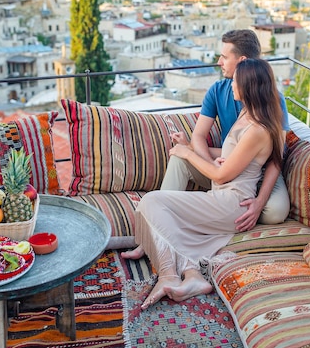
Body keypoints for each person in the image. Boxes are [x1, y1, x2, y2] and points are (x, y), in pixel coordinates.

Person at [131, 58, 286, 310]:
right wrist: (195, 147)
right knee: (158, 210)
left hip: (231, 202)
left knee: (151, 201)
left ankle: (170, 274)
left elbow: (221, 176)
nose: (231, 83)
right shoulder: (247, 114)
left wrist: (187, 153)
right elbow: (233, 160)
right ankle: (191, 275)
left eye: (235, 80)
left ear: (248, 85)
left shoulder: (259, 128)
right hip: (223, 197)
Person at [121, 30, 290, 260]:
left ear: (242, 62)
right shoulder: (218, 90)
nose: (219, 61)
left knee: (275, 212)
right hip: (226, 165)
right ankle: (153, 233)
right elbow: (199, 137)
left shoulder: (271, 99)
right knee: (181, 157)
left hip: (259, 170)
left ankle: (223, 216)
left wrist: (259, 202)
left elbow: (276, 158)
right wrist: (211, 165)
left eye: (224, 56)